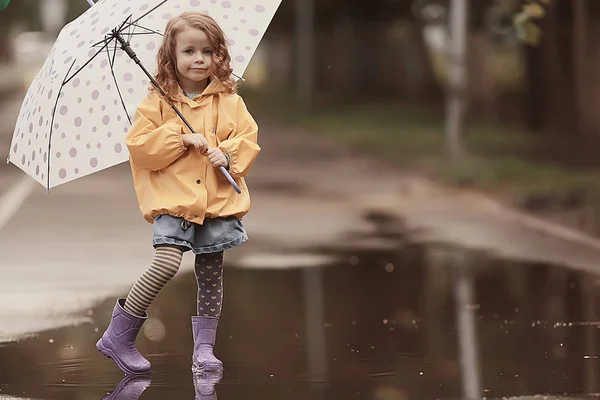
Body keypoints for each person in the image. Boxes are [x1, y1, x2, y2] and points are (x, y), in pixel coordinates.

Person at [96, 11, 260, 375]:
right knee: (167, 262)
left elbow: (247, 139)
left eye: (208, 51)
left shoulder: (230, 101)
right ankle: (119, 335)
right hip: (174, 202)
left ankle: (204, 349)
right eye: (189, 51)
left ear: (220, 55)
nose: (199, 59)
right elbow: (140, 149)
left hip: (217, 203)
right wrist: (179, 136)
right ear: (172, 57)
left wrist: (227, 154)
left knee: (211, 273)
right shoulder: (157, 101)